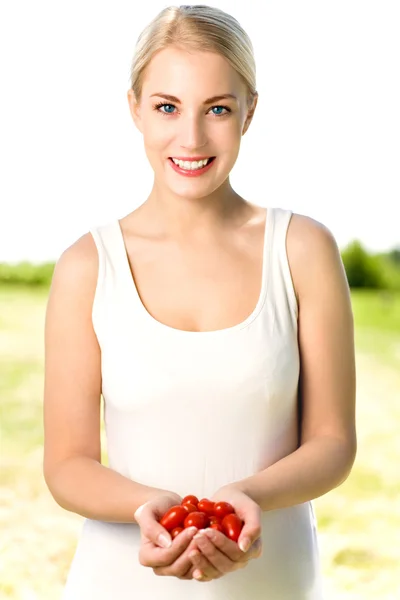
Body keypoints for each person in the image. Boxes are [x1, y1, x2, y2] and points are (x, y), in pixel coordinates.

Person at [43, 5, 357, 599]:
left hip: (274, 579)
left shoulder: (302, 249)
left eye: (217, 108)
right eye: (167, 107)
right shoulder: (88, 265)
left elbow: (333, 442)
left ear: (250, 112)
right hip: (122, 578)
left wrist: (249, 499)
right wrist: (150, 509)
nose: (191, 138)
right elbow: (66, 463)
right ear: (134, 107)